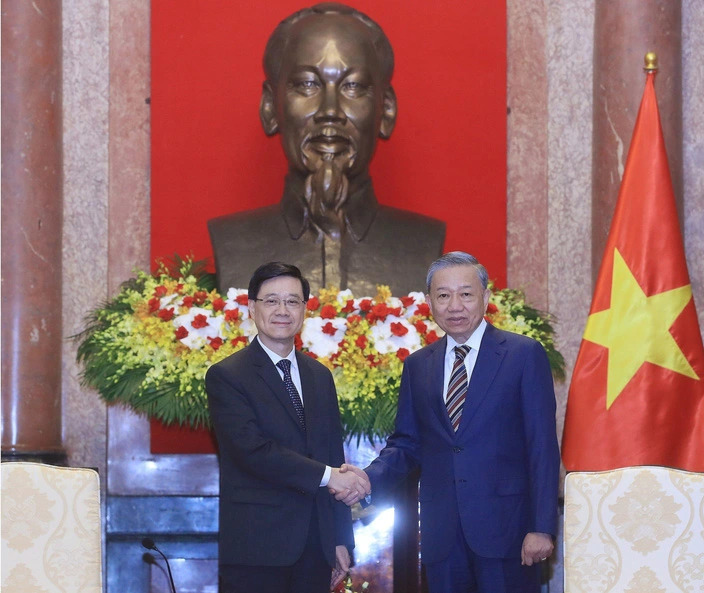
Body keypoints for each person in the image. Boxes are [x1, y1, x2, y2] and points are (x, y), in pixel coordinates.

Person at [339, 251, 560, 593]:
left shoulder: (522, 354)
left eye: (466, 294)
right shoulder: (418, 365)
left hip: (508, 532)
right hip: (443, 538)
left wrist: (542, 526)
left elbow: (541, 445)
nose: (454, 305)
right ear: (430, 302)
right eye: (443, 295)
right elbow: (407, 444)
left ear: (485, 297)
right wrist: (367, 479)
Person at [208, 3, 445, 296]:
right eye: (307, 84)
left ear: (385, 111)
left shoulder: (423, 243)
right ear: (270, 108)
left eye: (353, 86)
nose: (330, 111)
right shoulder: (232, 240)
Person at [205, 262, 369, 593]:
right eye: (272, 301)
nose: (283, 310)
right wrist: (329, 476)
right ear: (252, 307)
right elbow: (253, 451)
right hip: (257, 550)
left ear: (304, 310)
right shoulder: (228, 376)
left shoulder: (319, 376)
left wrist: (339, 540)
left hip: (315, 549)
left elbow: (332, 455)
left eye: (293, 301)